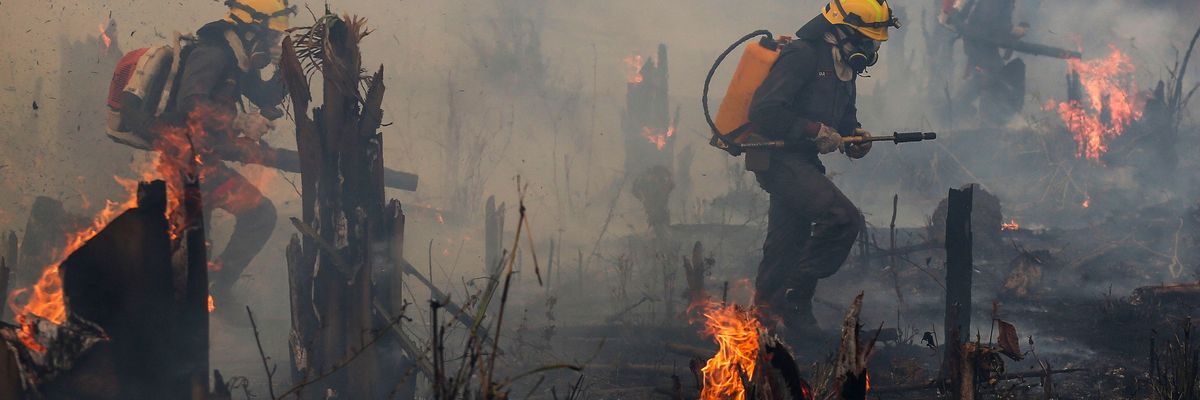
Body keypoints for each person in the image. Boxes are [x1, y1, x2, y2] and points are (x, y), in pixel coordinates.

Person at [118, 0, 295, 320]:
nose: (270, 47)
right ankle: (185, 318)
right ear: (251, 29)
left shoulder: (238, 62)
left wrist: (288, 70)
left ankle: (214, 291)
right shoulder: (213, 54)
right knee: (198, 246)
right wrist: (241, 122)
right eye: (268, 39)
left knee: (255, 217)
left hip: (204, 162)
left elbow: (266, 96)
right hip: (182, 163)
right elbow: (191, 105)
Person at [747, 0, 897, 337]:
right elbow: (764, 112)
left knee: (785, 244)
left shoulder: (845, 65)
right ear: (838, 30)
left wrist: (855, 137)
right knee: (842, 219)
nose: (868, 49)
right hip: (778, 159)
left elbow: (844, 119)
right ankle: (794, 297)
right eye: (863, 39)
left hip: (803, 162)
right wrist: (812, 130)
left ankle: (763, 324)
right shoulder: (802, 56)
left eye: (872, 42)